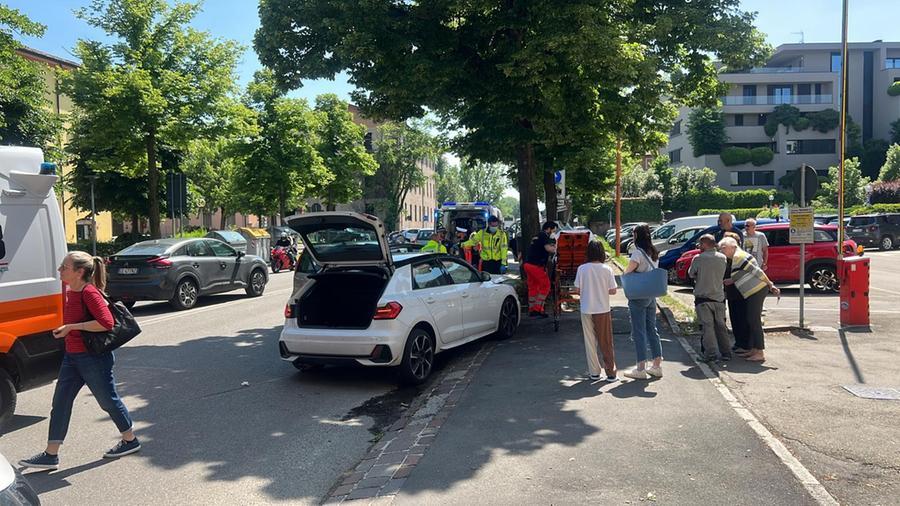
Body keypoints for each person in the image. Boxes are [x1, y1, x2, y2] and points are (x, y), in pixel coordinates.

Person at [19, 252, 140, 471]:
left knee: (107, 401)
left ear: (79, 272)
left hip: (93, 358)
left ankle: (130, 439)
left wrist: (72, 328)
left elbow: (107, 323)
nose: (59, 270)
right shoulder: (70, 290)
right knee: (61, 403)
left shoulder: (89, 293)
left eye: (64, 267)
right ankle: (51, 454)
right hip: (72, 357)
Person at [718, 237, 780, 363]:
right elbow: (742, 272)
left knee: (754, 320)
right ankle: (754, 349)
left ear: (731, 247)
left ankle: (759, 352)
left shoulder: (739, 256)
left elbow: (757, 271)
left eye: (723, 249)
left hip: (756, 290)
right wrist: (732, 280)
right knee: (750, 319)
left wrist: (770, 284)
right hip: (752, 291)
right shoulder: (737, 257)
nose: (722, 251)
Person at [622, 224, 663, 380]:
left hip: (638, 296)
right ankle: (657, 365)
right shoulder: (654, 252)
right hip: (651, 295)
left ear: (636, 236)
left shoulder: (637, 253)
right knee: (652, 329)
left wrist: (625, 272)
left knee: (639, 332)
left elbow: (628, 271)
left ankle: (640, 367)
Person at [574, 241, 618, 382]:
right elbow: (613, 291)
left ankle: (594, 372)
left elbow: (577, 290)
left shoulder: (582, 269)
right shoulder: (607, 269)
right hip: (603, 309)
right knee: (606, 341)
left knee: (589, 341)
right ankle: (610, 372)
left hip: (586, 308)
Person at [689, 234, 731, 362]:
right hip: (718, 297)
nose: (699, 246)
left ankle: (711, 354)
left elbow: (691, 274)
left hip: (703, 297)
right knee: (721, 326)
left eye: (701, 244)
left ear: (705, 244)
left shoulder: (698, 258)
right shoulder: (723, 257)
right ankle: (726, 353)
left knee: (708, 327)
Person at [523, 221, 558, 318]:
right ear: (549, 228)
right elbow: (549, 249)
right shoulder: (544, 236)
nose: (553, 232)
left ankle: (532, 309)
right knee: (546, 285)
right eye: (553, 230)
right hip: (536, 266)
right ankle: (538, 309)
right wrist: (556, 247)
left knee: (533, 287)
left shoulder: (537, 236)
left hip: (528, 264)